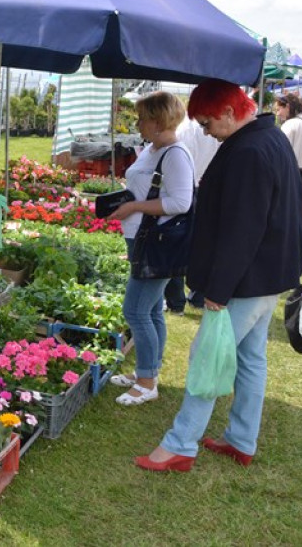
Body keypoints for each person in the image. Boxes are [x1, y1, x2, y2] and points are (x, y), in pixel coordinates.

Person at [135, 79, 302, 472]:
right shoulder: (268, 136)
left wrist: (219, 289)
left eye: (208, 123)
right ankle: (241, 438)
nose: (206, 132)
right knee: (249, 358)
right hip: (268, 275)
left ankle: (180, 445)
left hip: (247, 279)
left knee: (206, 356)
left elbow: (243, 229)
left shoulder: (249, 149)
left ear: (230, 112)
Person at [107, 92, 195, 407]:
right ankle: (149, 371)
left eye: (142, 117)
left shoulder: (174, 154)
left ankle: (146, 382)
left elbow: (180, 203)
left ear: (157, 121)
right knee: (153, 309)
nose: (138, 123)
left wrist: (134, 206)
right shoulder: (153, 149)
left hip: (157, 243)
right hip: (143, 238)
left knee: (135, 310)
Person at [164, 116, 221, 313]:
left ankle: (177, 300)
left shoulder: (185, 130)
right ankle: (197, 294)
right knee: (203, 243)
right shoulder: (216, 126)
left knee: (178, 243)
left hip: (190, 187)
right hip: (206, 185)